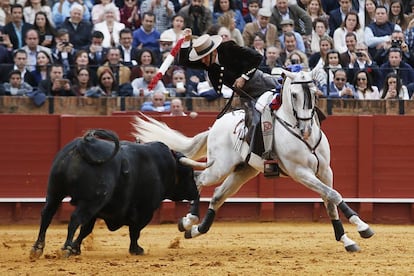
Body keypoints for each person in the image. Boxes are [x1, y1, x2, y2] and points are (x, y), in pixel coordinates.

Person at [178, 28, 281, 174]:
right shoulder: (206, 61)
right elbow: (183, 61)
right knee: (253, 124)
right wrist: (186, 41)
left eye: (205, 57)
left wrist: (244, 77)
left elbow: (256, 58)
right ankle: (266, 159)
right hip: (246, 95)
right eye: (201, 58)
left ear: (213, 51)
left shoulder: (229, 48)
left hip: (262, 84)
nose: (203, 61)